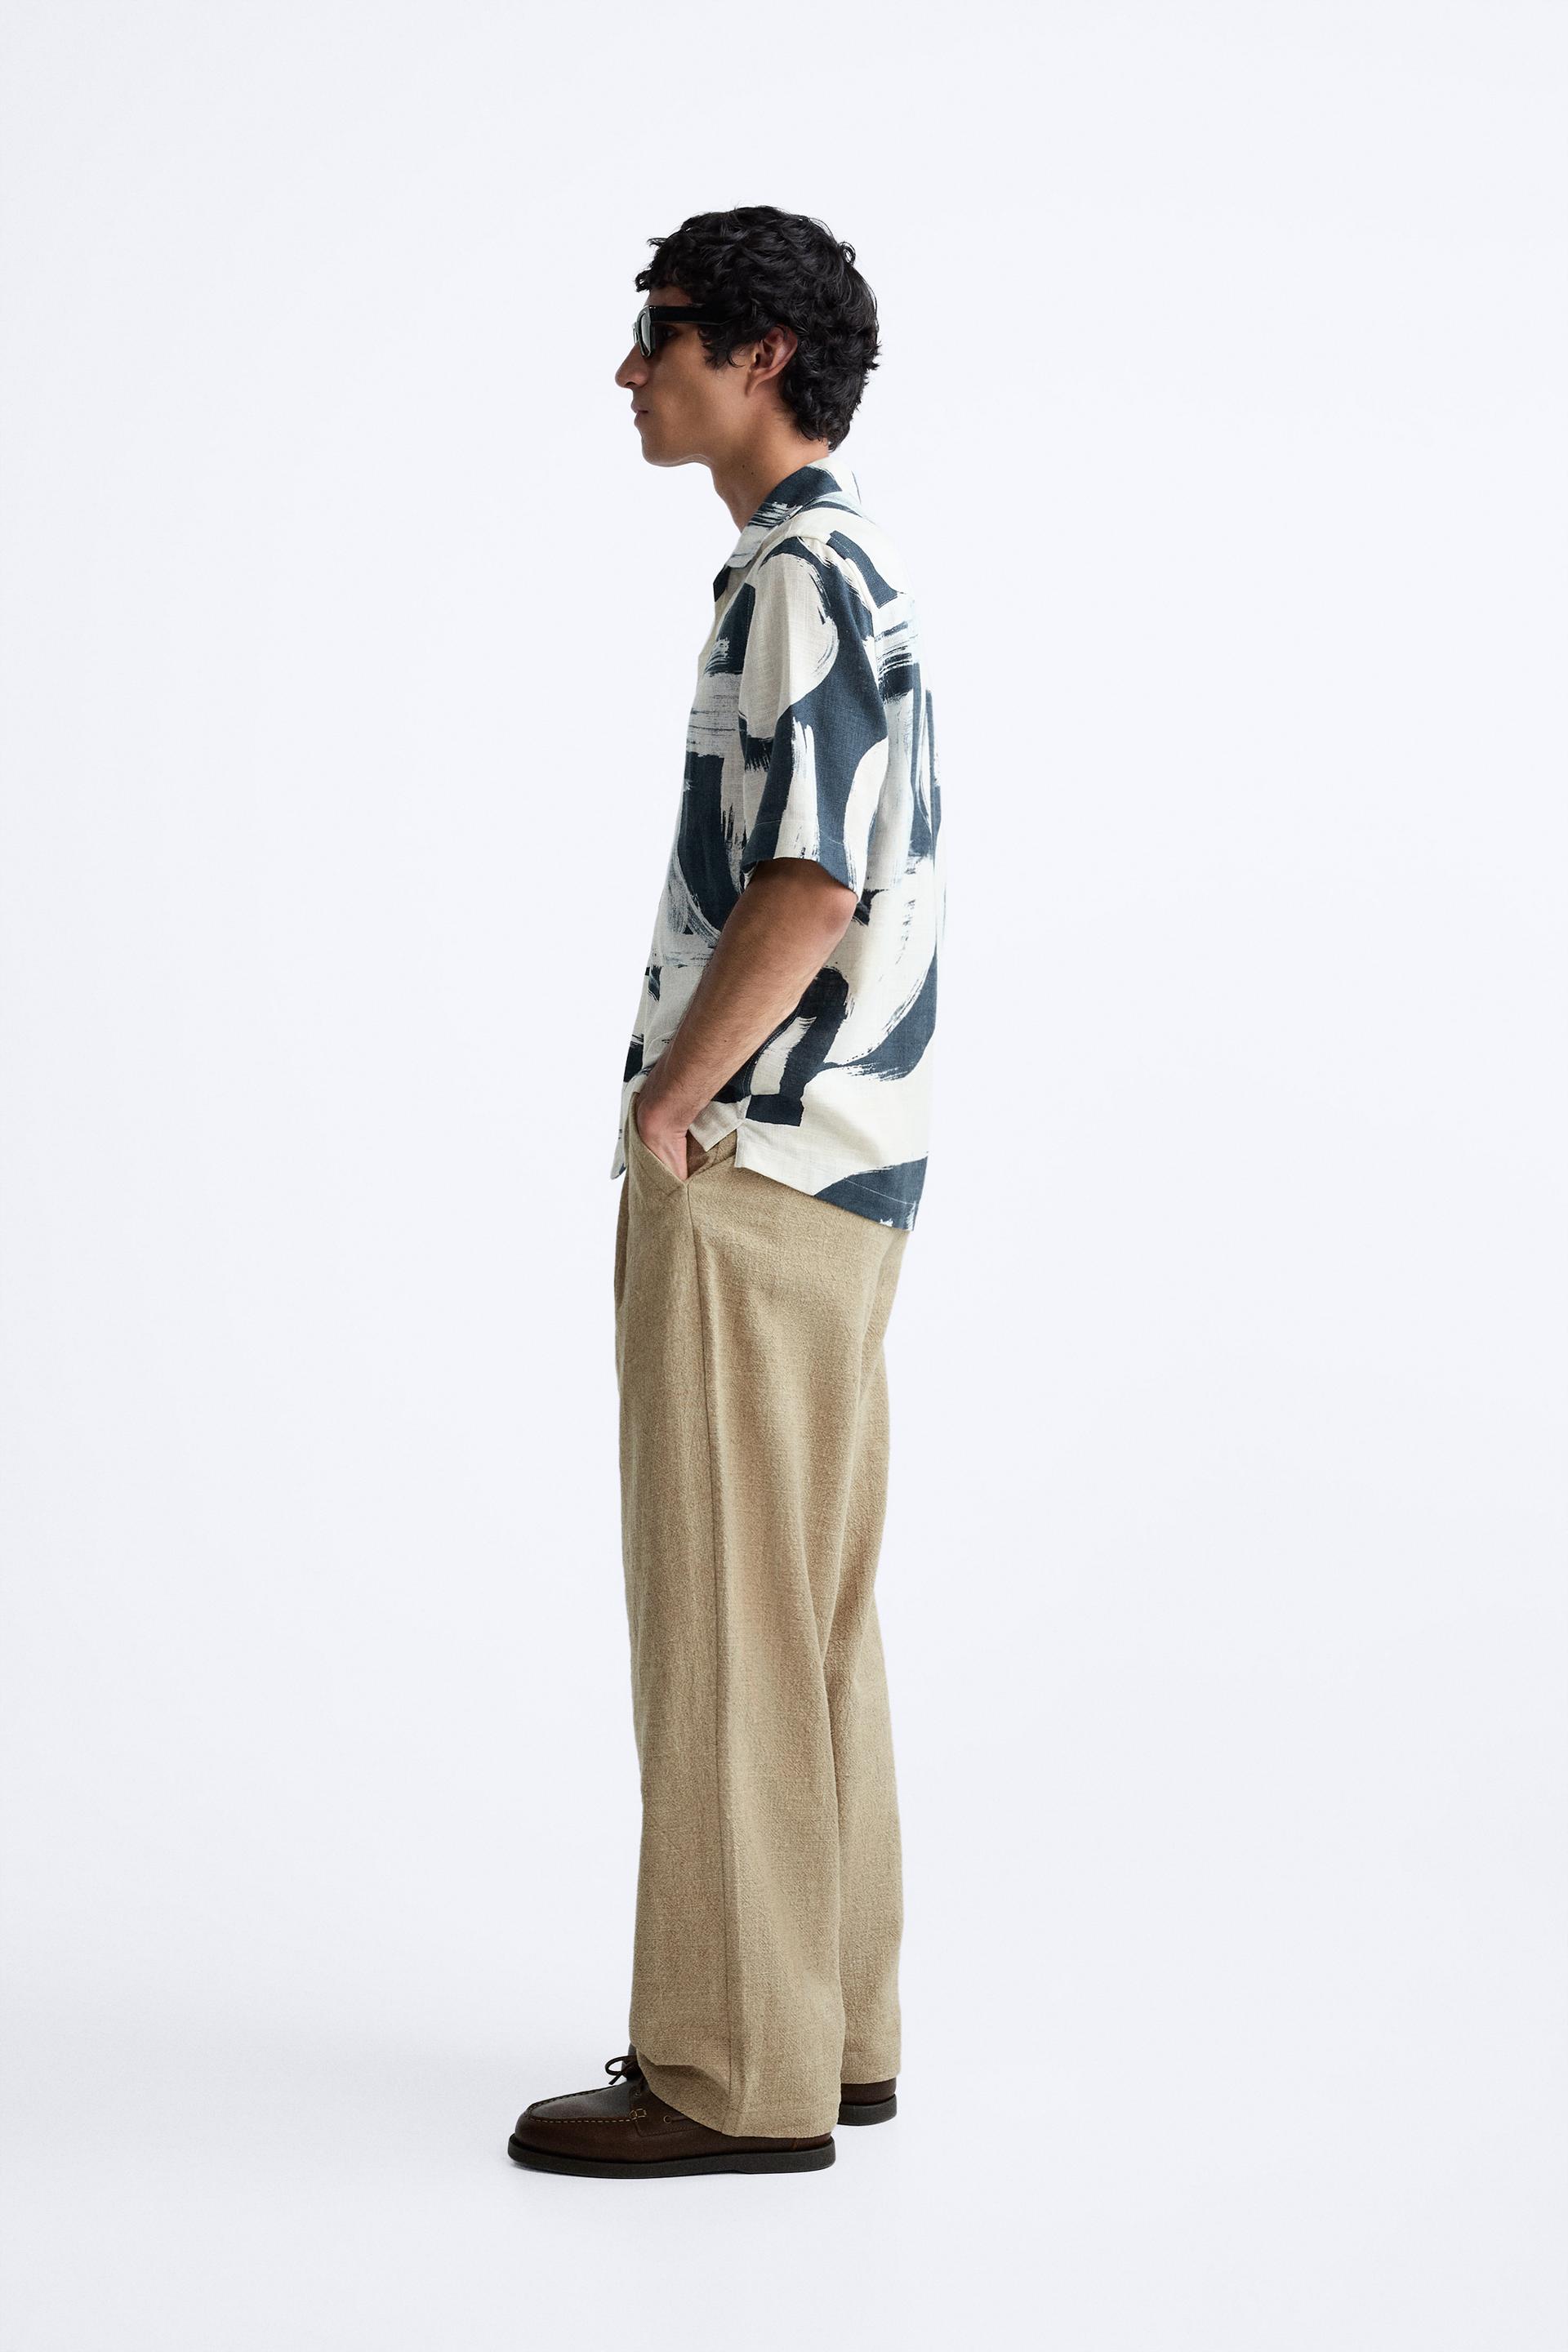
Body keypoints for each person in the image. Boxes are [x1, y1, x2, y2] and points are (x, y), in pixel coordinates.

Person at [507, 206, 945, 2180]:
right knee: (809, 1612)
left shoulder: (795, 576)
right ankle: (834, 2035)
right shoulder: (850, 568)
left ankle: (726, 2074)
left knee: (722, 1619)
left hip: (759, 1160)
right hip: (848, 1170)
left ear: (761, 356)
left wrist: (677, 1102)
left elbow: (813, 879)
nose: (631, 369)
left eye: (662, 331)